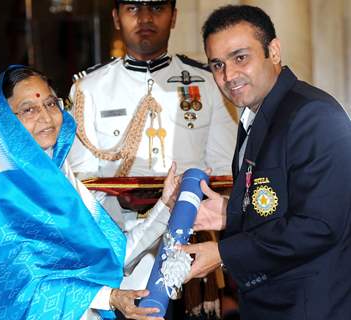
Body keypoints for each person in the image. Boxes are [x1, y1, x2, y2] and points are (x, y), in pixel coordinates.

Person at [0, 66, 181, 320]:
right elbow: (19, 288)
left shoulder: (63, 185)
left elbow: (114, 255)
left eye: (50, 104)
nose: (46, 117)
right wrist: (108, 298)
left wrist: (166, 206)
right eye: (29, 109)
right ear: (5, 121)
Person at [68, 1, 237, 317]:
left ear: (174, 16)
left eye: (157, 7)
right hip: (118, 245)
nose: (145, 17)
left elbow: (225, 170)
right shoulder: (89, 88)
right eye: (132, 8)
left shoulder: (207, 82)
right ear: (116, 17)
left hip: (189, 241)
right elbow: (81, 184)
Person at [183, 4, 351, 320]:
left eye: (240, 58)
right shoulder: (258, 115)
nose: (228, 75)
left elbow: (318, 225)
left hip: (311, 307)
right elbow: (278, 203)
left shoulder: (314, 116)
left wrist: (222, 253)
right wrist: (228, 213)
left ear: (273, 51)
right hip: (271, 304)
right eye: (217, 64)